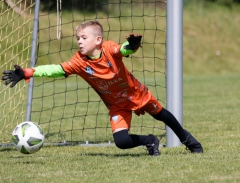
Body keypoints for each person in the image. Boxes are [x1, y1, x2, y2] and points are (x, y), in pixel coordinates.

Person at [1, 20, 203, 156]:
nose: (79, 41)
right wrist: (27, 72)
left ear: (98, 40)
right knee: (121, 142)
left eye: (84, 37)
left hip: (135, 94)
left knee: (161, 114)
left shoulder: (108, 49)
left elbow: (123, 49)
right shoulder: (78, 62)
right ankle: (150, 141)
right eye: (78, 38)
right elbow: (55, 69)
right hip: (117, 106)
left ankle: (189, 140)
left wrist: (131, 46)